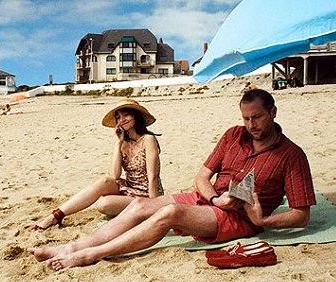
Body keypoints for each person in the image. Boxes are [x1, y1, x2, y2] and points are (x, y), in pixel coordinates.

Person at [31, 89, 316, 270]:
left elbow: (301, 216)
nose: (251, 125)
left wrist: (263, 222)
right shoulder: (233, 135)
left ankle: (91, 255)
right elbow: (201, 177)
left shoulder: (291, 155)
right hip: (211, 200)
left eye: (257, 118)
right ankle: (73, 247)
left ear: (273, 113)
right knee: (141, 205)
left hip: (242, 218)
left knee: (170, 212)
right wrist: (216, 198)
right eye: (246, 118)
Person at [32, 98, 164, 230]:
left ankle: (139, 211)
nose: (122, 120)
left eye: (126, 114)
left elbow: (153, 177)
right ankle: (55, 216)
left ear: (136, 116)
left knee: (103, 204)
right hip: (130, 188)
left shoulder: (148, 139)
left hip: (148, 195)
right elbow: (114, 175)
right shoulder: (122, 143)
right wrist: (118, 143)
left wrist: (153, 207)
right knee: (105, 181)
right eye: (118, 118)